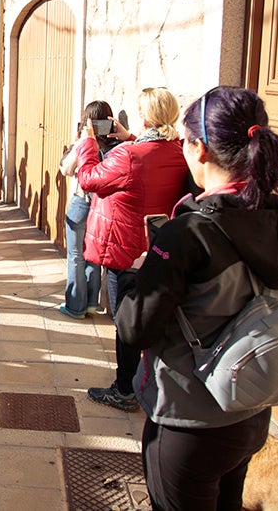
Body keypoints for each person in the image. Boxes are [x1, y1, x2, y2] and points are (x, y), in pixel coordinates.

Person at [114, 86, 278, 511]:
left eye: (185, 141)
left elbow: (135, 327)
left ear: (200, 149)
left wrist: (138, 276)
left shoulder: (189, 233)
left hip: (187, 419)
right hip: (250, 413)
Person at [78, 86, 189, 412]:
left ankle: (124, 390)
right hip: (159, 248)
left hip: (124, 252)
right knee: (154, 319)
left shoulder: (128, 156)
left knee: (126, 322)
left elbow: (88, 178)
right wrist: (128, 137)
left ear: (145, 116)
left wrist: (87, 140)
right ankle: (153, 384)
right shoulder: (179, 150)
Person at [58, 101, 118, 319]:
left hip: (81, 203)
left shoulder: (86, 143)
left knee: (76, 255)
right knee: (93, 255)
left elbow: (66, 168)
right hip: (102, 206)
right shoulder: (117, 146)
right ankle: (92, 302)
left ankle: (76, 305)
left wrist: (82, 141)